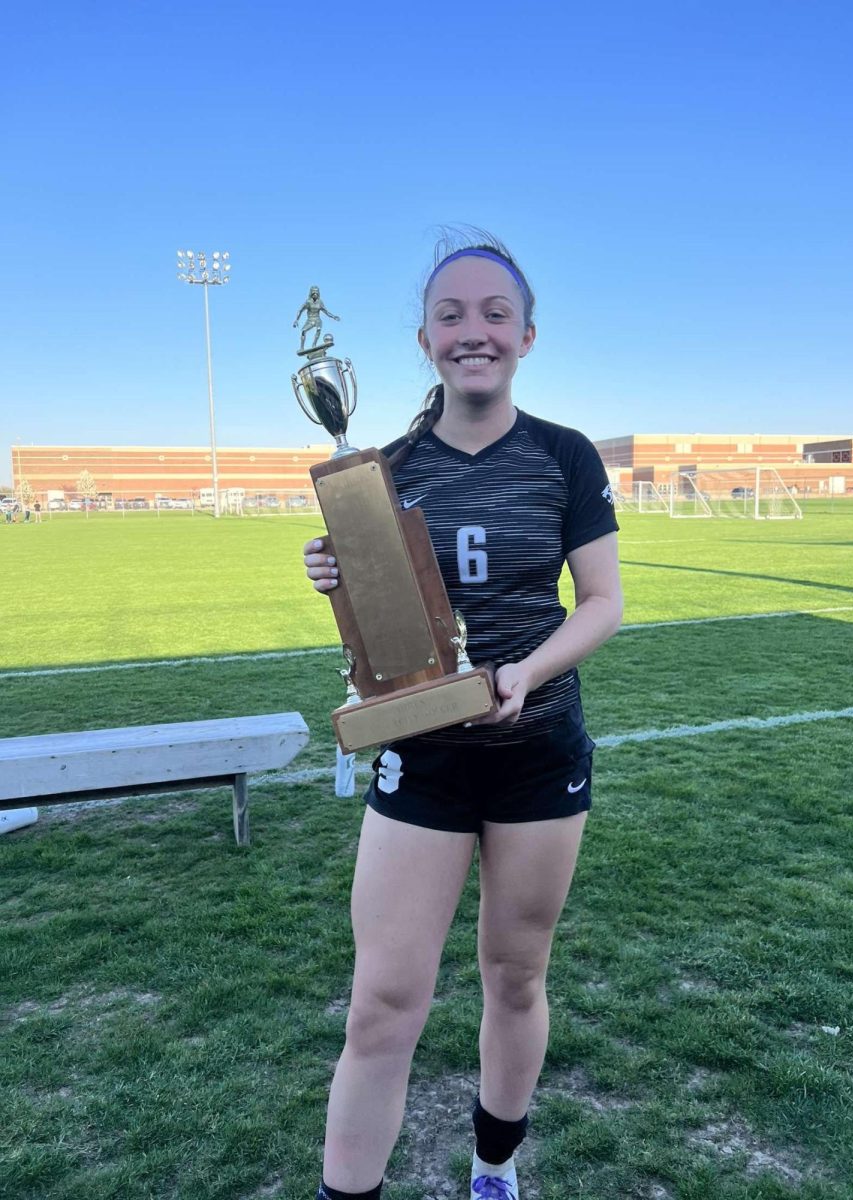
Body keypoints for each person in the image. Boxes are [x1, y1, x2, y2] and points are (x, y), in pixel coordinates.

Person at [303, 231, 623, 1200]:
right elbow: (387, 615)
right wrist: (339, 581)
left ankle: (494, 1170)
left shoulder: (564, 457)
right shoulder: (386, 465)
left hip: (538, 755)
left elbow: (603, 603)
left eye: (494, 314)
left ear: (527, 335)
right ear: (423, 338)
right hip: (426, 759)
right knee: (382, 1005)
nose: (472, 330)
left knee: (515, 978)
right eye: (452, 314)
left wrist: (525, 669)